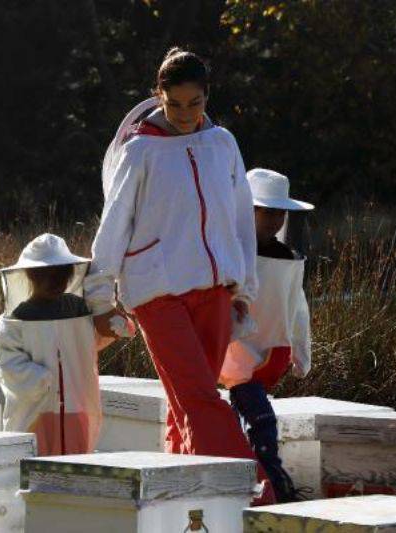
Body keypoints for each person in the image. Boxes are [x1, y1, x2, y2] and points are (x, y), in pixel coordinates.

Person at [84, 47, 275, 504]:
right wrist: (98, 295)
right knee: (202, 400)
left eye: (195, 103)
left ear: (207, 96)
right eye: (175, 104)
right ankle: (251, 499)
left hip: (215, 290)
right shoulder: (140, 149)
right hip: (155, 292)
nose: (186, 114)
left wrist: (243, 288)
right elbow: (114, 224)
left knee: (189, 401)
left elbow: (239, 219)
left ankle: (181, 506)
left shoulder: (223, 143)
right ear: (159, 96)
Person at [219, 167, 314, 502]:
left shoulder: (288, 257)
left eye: (280, 213)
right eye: (267, 212)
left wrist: (302, 352)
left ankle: (249, 491)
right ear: (248, 211)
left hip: (274, 355)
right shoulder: (228, 253)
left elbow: (296, 304)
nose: (275, 220)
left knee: (242, 423)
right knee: (262, 423)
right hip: (237, 355)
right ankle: (278, 489)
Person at [0, 233, 116, 456]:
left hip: (77, 405)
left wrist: (116, 325)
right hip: (36, 411)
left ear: (69, 275)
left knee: (77, 471)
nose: (55, 283)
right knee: (36, 472)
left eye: (59, 276)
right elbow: (8, 360)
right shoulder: (20, 316)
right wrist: (41, 379)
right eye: (47, 276)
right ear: (32, 276)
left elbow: (90, 342)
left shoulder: (77, 308)